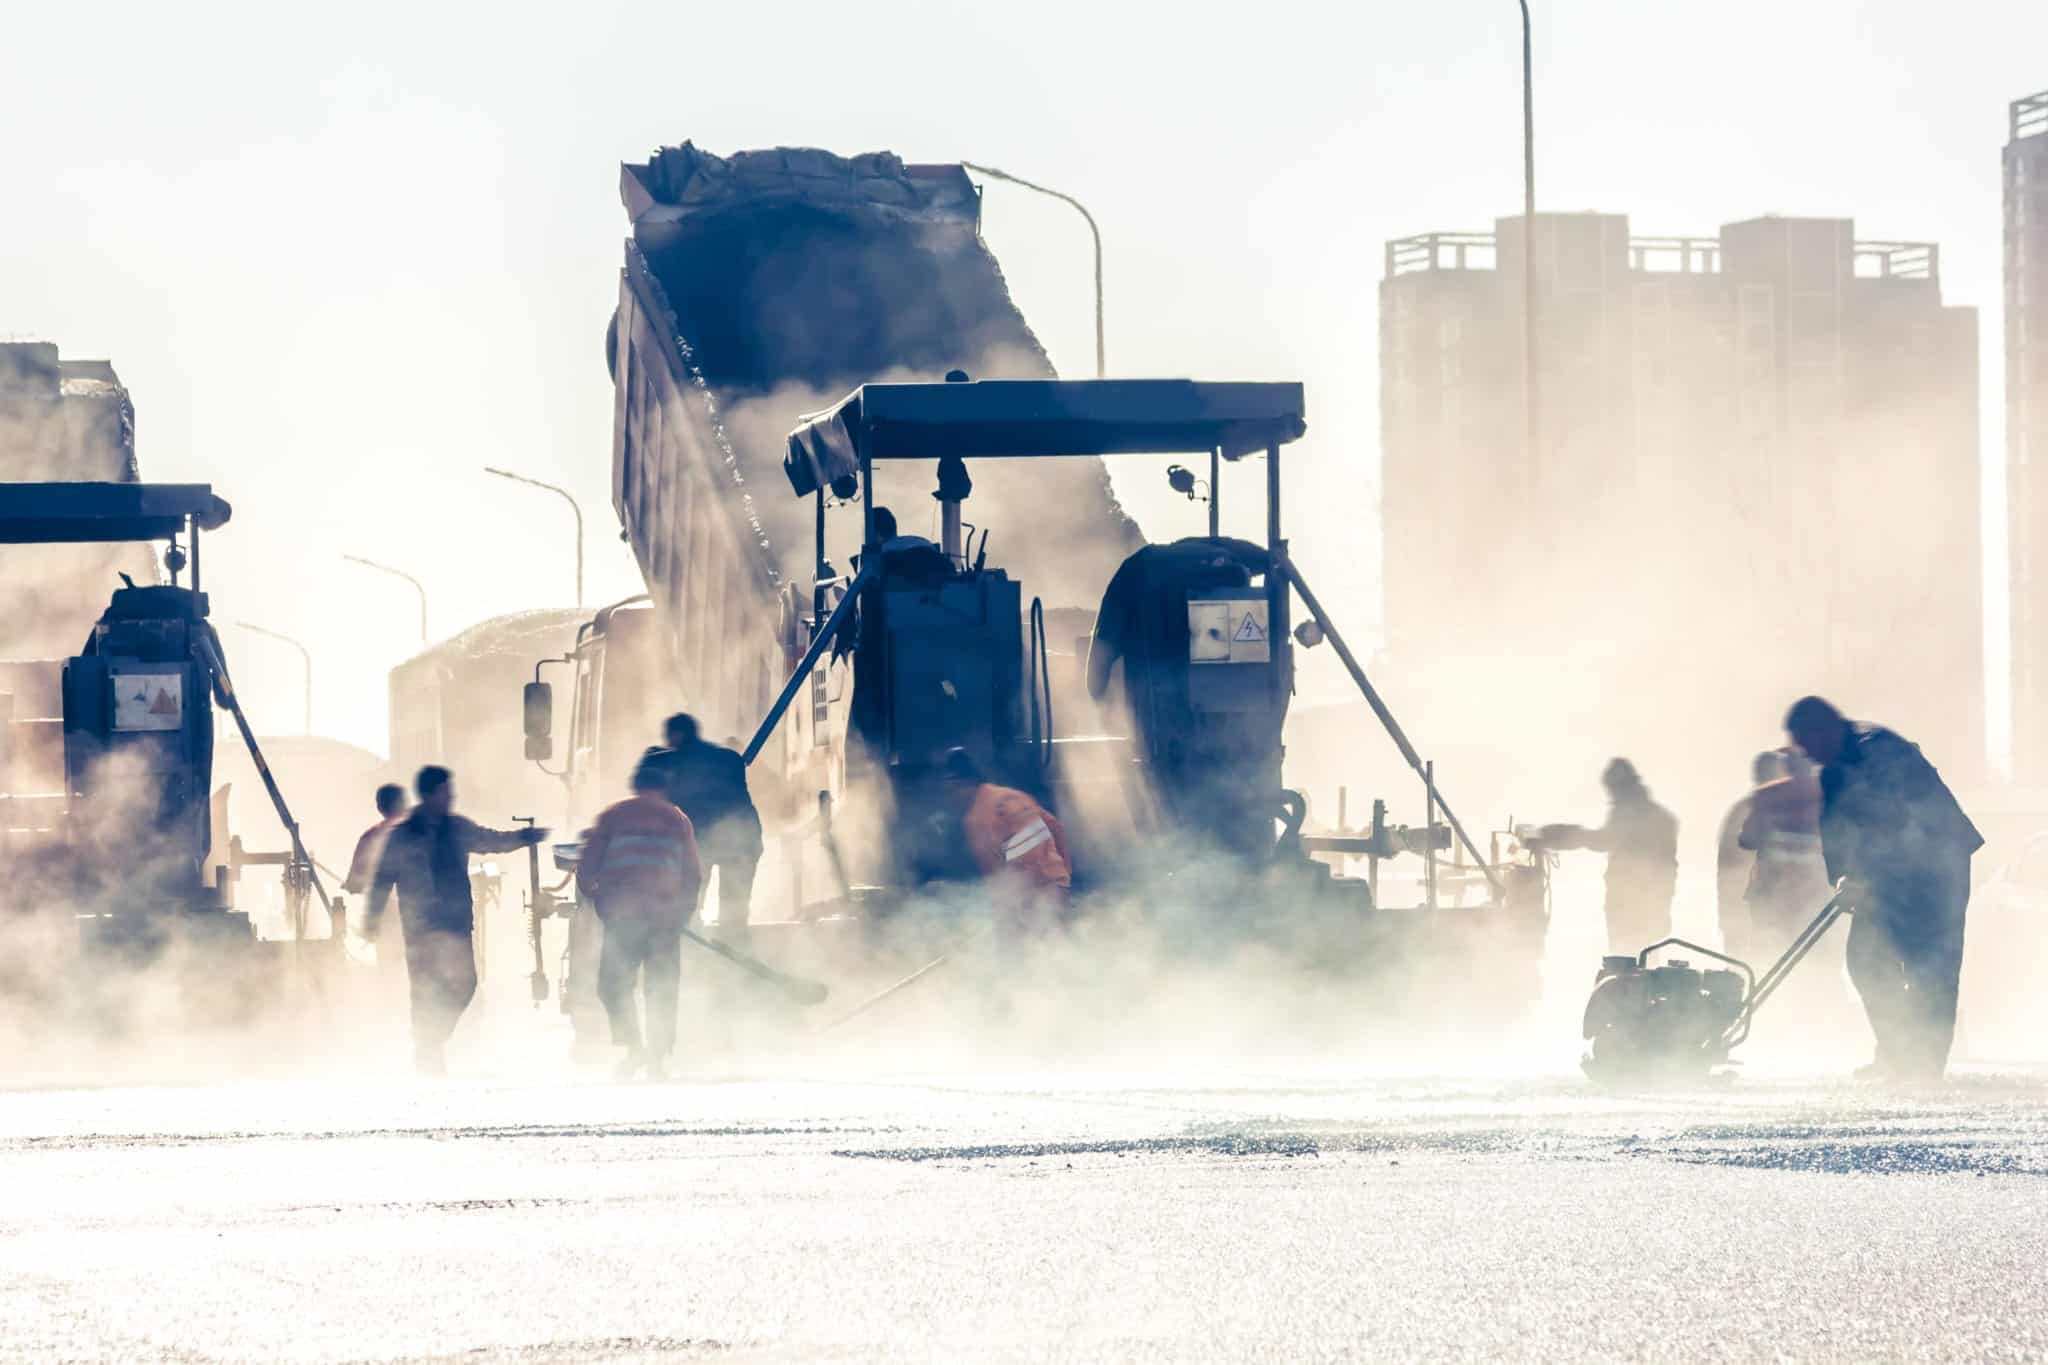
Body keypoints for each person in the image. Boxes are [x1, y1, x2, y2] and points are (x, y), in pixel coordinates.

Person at [1786, 695, 1982, 1082]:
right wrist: (1843, 874)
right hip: (1888, 876)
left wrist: (1865, 873)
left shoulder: (1880, 751)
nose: (1807, 755)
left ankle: (1924, 1066)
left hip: (1935, 872)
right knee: (1866, 960)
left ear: (1823, 730)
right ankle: (1896, 1053)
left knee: (1932, 968)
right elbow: (1836, 830)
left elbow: (1897, 821)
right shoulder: (1834, 768)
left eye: (1808, 744)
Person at [365, 766, 545, 1076]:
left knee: (465, 984)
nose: (452, 797)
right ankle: (428, 1054)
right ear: (431, 794)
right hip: (421, 926)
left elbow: (493, 841)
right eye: (447, 792)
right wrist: (371, 918)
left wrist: (527, 837)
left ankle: (431, 1041)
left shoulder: (456, 828)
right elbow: (382, 879)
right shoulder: (402, 835)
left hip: (455, 924)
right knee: (423, 991)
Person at [577, 760, 703, 1080]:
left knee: (613, 985)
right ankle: (657, 1058)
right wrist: (683, 911)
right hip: (663, 918)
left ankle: (634, 1048)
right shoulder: (678, 818)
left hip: (624, 916)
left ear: (635, 786)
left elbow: (587, 867)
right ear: (662, 788)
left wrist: (600, 899)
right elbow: (693, 873)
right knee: (662, 988)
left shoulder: (612, 816)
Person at [640, 713, 761, 940]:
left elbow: (648, 776)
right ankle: (737, 960)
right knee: (734, 913)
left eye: (669, 737)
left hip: (707, 840)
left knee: (690, 908)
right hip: (745, 840)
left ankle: (696, 957)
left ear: (677, 735)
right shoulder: (729, 758)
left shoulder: (671, 763)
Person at [1541, 758, 1679, 953]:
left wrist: (1558, 835)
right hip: (1653, 905)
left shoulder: (1629, 813)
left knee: (1625, 958)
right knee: (1647, 960)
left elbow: (1604, 840)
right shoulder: (1663, 817)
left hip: (1629, 905)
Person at [940, 748, 1073, 936]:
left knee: (1040, 949)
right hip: (1033, 894)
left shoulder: (999, 804)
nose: (949, 798)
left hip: (1041, 894)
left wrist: (1051, 887)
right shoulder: (976, 814)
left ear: (966, 783)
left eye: (951, 790)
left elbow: (1030, 862)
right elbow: (1055, 827)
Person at [1738, 747, 1831, 944]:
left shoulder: (1768, 794)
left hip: (1770, 887)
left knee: (1769, 949)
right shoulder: (1826, 795)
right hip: (1813, 889)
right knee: (1814, 949)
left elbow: (1747, 839)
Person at [1715, 754, 1776, 958]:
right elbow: (1730, 861)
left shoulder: (1744, 809)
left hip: (1757, 901)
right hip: (1753, 901)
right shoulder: (1756, 808)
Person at [342, 783, 409, 963]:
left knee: (391, 970)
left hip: (387, 915)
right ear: (405, 804)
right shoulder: (423, 834)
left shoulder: (370, 837)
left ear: (379, 807)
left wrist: (351, 885)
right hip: (424, 915)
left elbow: (355, 883)